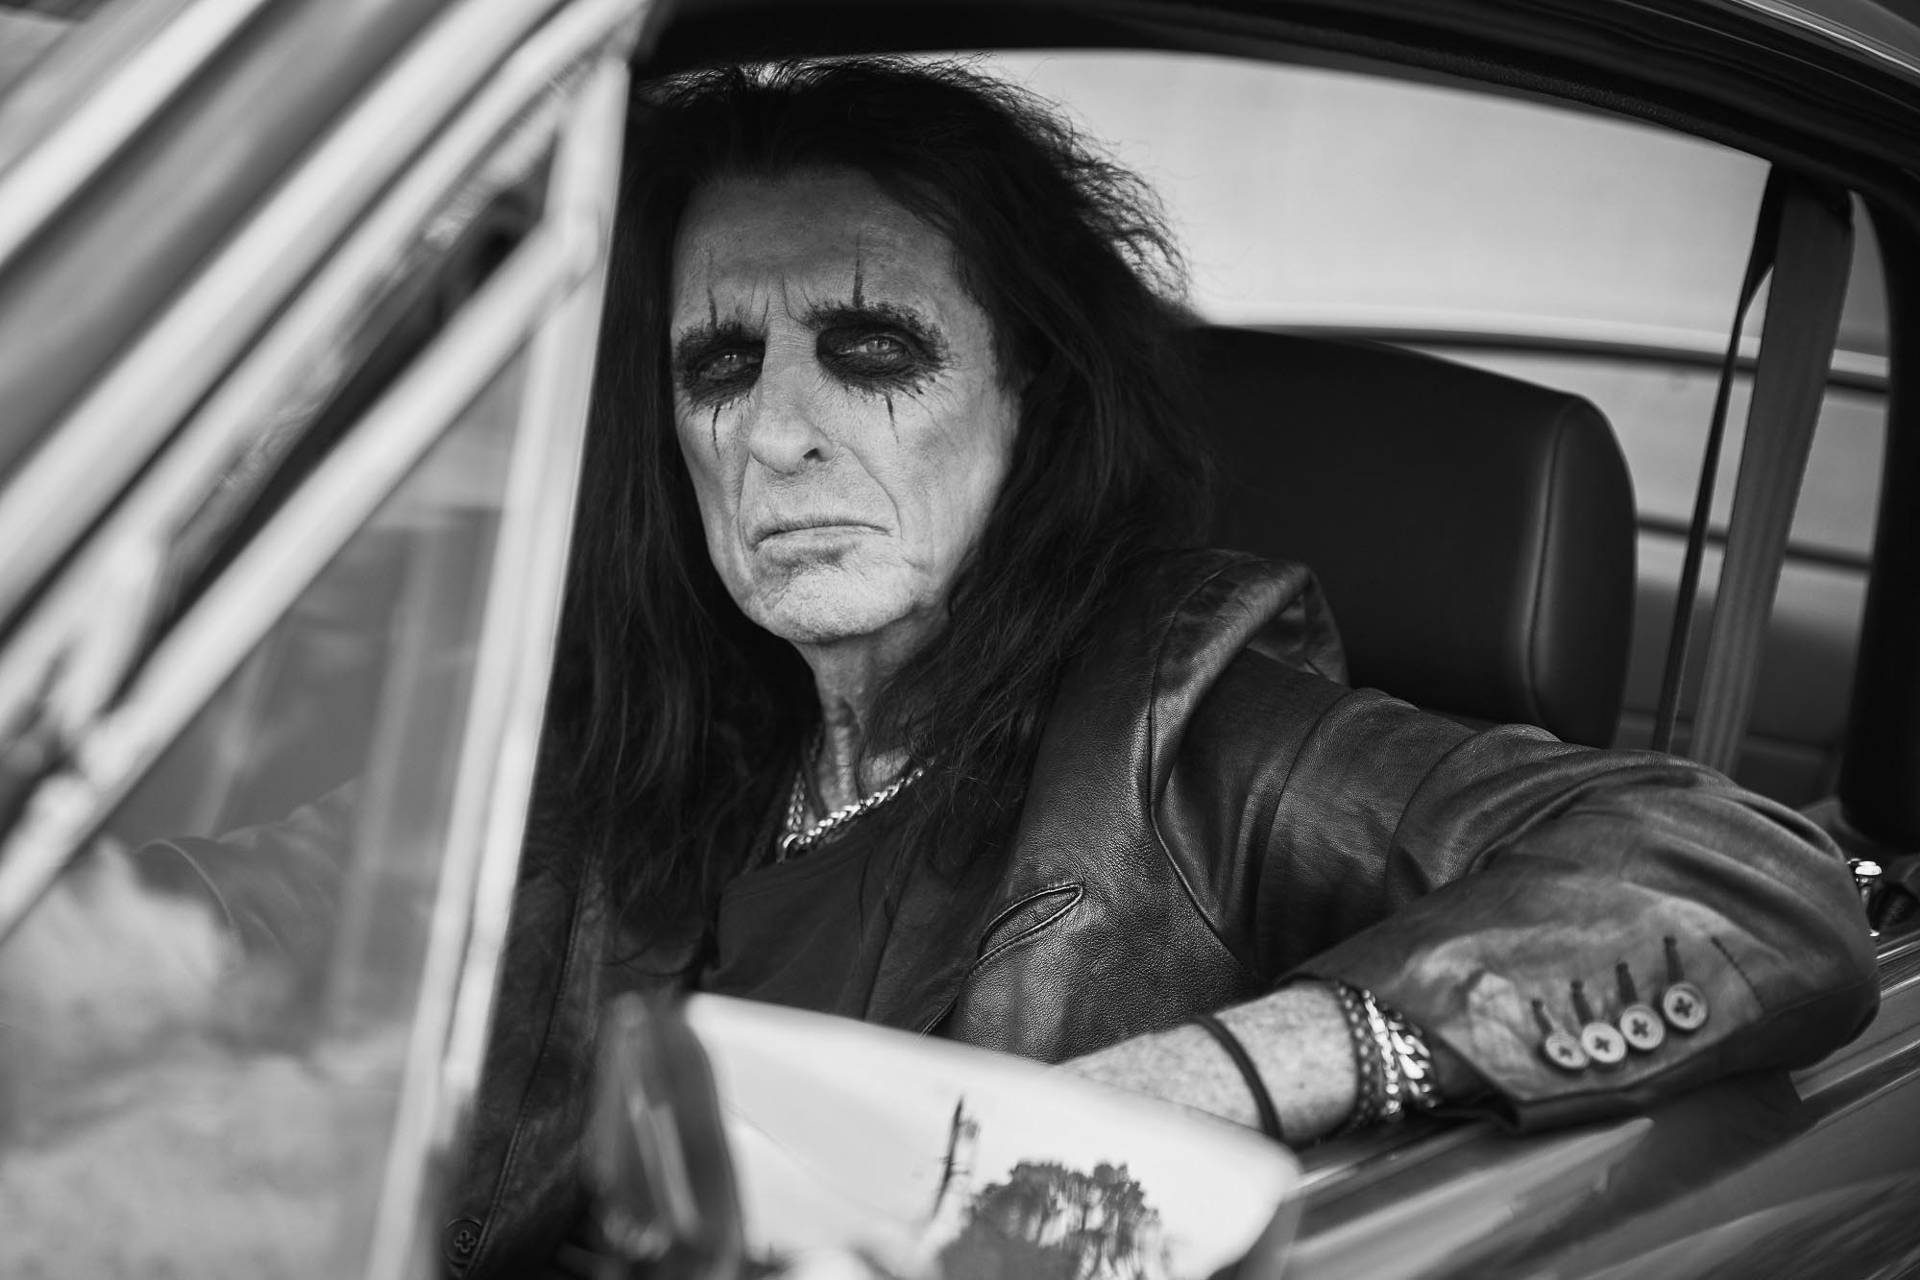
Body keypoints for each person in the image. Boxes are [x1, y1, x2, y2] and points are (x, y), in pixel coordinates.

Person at [0, 56, 1879, 1280]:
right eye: (718, 368)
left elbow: (1748, 885)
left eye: (871, 349)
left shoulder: (1199, 730)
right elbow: (234, 917)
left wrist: (1230, 1072)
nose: (779, 437)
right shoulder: (612, 759)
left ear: (1032, 404)